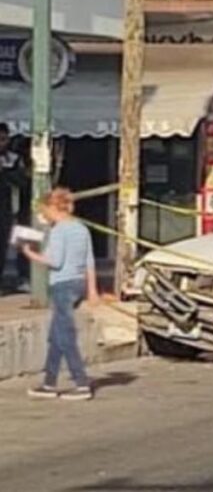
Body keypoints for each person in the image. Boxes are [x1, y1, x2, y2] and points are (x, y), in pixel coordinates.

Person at [21, 188, 99, 401]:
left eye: (44, 210)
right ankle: (49, 382)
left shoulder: (59, 231)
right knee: (56, 336)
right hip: (78, 283)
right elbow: (89, 261)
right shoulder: (82, 229)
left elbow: (55, 261)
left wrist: (30, 253)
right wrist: (92, 290)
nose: (43, 215)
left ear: (52, 207)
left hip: (62, 284)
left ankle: (81, 383)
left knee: (65, 336)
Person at [0, 123, 29, 291]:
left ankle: (22, 276)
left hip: (10, 208)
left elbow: (23, 181)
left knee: (12, 243)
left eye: (3, 139)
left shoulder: (14, 159)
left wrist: (5, 172)